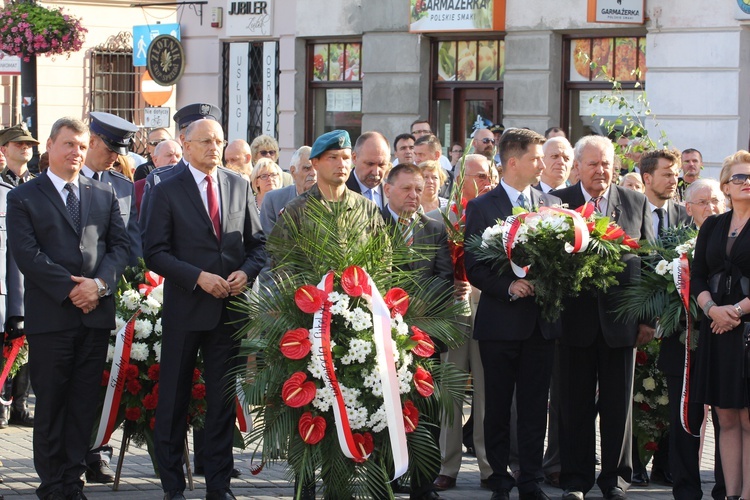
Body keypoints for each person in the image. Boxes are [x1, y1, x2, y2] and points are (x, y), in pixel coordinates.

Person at [7, 117, 130, 500]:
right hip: (52, 317)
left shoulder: (103, 193)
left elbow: (121, 248)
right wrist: (71, 289)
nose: (76, 152)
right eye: (68, 144)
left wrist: (98, 285)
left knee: (81, 403)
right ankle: (52, 482)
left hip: (94, 315)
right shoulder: (24, 196)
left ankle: (73, 478)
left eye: (81, 145)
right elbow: (27, 254)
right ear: (50, 146)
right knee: (51, 403)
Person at [144, 118, 266, 500]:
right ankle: (172, 487)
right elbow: (155, 252)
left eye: (219, 141)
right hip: (185, 308)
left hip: (229, 311)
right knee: (174, 400)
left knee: (221, 402)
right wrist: (198, 277)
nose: (214, 147)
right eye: (206, 141)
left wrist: (246, 273)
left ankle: (219, 485)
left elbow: (258, 244)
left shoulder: (238, 184)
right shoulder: (165, 188)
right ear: (186, 143)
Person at [267, 130, 384, 500]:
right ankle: (305, 487)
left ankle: (344, 486)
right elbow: (281, 266)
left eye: (346, 157)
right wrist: (305, 306)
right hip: (309, 325)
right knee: (309, 408)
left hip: (356, 326)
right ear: (314, 164)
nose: (342, 164)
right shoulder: (298, 211)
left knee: (355, 407)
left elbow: (383, 263)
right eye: (333, 157)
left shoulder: (366, 209)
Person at [553, 135, 655, 500]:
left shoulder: (636, 202)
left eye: (607, 164)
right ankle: (575, 480)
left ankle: (615, 479)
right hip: (573, 323)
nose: (601, 171)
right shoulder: (557, 203)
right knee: (573, 406)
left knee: (618, 408)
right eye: (593, 164)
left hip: (621, 323)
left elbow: (648, 263)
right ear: (577, 165)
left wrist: (648, 320)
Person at [465, 129, 560, 500]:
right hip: (500, 324)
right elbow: (474, 266)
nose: (543, 164)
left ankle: (531, 479)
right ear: (514, 161)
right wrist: (508, 287)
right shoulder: (482, 207)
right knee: (498, 406)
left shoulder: (550, 202)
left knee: (536, 407)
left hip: (541, 323)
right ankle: (499, 478)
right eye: (537, 158)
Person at [380, 162, 453, 500]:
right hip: (382, 335)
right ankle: (386, 476)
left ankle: (424, 482)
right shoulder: (373, 225)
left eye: (418, 189)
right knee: (385, 407)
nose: (413, 195)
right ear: (388, 189)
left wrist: (418, 309)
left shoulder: (435, 228)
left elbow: (444, 278)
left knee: (428, 411)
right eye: (406, 188)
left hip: (426, 334)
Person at [430, 154, 493, 493]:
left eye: (488, 175)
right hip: (451, 314)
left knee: (485, 391)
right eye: (478, 176)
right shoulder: (441, 219)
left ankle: (487, 466)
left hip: (486, 311)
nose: (485, 181)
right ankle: (447, 465)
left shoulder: (497, 214)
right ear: (459, 179)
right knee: (451, 392)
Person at [692, 150, 750, 500]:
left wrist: (736, 312)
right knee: (725, 417)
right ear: (726, 186)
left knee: (748, 419)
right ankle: (730, 494)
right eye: (739, 178)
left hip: (746, 331)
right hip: (717, 329)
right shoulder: (713, 225)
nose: (747, 183)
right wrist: (712, 309)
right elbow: (697, 274)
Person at [0, 124, 38, 430]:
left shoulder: (39, 187)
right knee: (5, 343)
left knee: (28, 345)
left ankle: (22, 404)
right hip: (6, 278)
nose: (25, 147)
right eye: (18, 143)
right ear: (4, 149)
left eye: (29, 143)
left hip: (32, 278)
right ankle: (2, 402)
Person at [82, 112, 141, 268]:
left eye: (118, 153)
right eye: (110, 150)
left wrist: (138, 279)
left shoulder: (124, 186)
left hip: (115, 278)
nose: (114, 158)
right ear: (92, 142)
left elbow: (132, 238)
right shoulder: (68, 181)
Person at [259, 145, 314, 235]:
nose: (313, 173)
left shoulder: (330, 198)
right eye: (307, 168)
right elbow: (267, 242)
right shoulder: (273, 200)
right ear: (293, 171)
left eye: (316, 168)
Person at [135, 140, 182, 215]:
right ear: (155, 160)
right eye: (169, 155)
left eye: (178, 156)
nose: (174, 160)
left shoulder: (190, 185)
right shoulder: (139, 187)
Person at [346, 131, 390, 209]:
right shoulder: (339, 191)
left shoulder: (393, 193)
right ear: (354, 158)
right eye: (370, 164)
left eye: (381, 165)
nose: (375, 172)